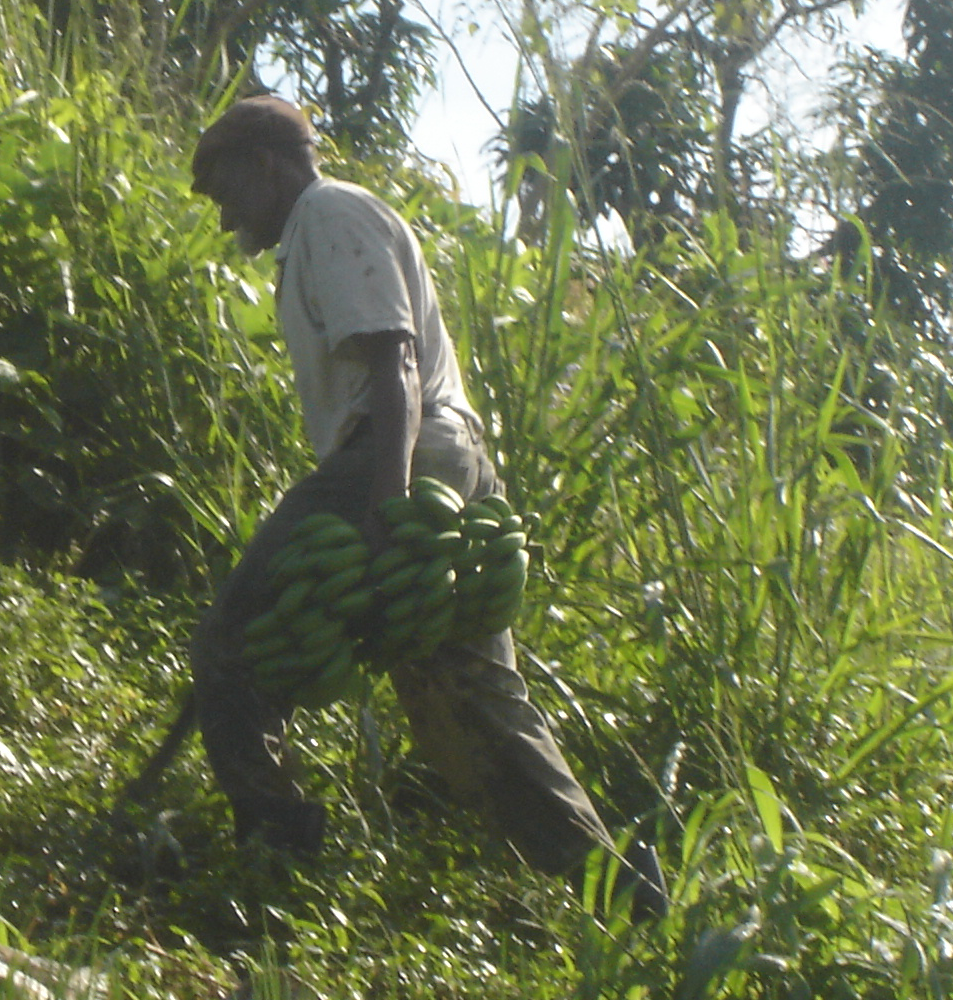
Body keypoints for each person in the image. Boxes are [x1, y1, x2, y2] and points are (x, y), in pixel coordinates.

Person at [184, 95, 666, 917]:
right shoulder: (312, 236)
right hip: (436, 460)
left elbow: (394, 363)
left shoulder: (329, 212)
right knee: (471, 707)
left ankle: (277, 854)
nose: (225, 214)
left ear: (265, 164)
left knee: (233, 642)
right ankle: (622, 895)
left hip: (399, 453)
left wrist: (385, 510)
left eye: (225, 189)